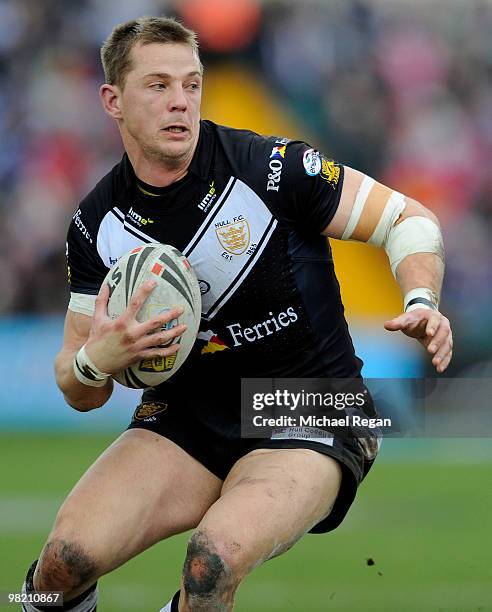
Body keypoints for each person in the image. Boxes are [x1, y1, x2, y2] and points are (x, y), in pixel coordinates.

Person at [21, 16, 452, 612]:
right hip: (190, 416)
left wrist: (422, 300)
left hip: (311, 403)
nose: (180, 103)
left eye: (191, 85)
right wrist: (100, 359)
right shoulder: (97, 223)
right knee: (57, 569)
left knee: (211, 562)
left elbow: (409, 221)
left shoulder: (269, 169)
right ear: (112, 101)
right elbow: (75, 381)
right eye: (158, 86)